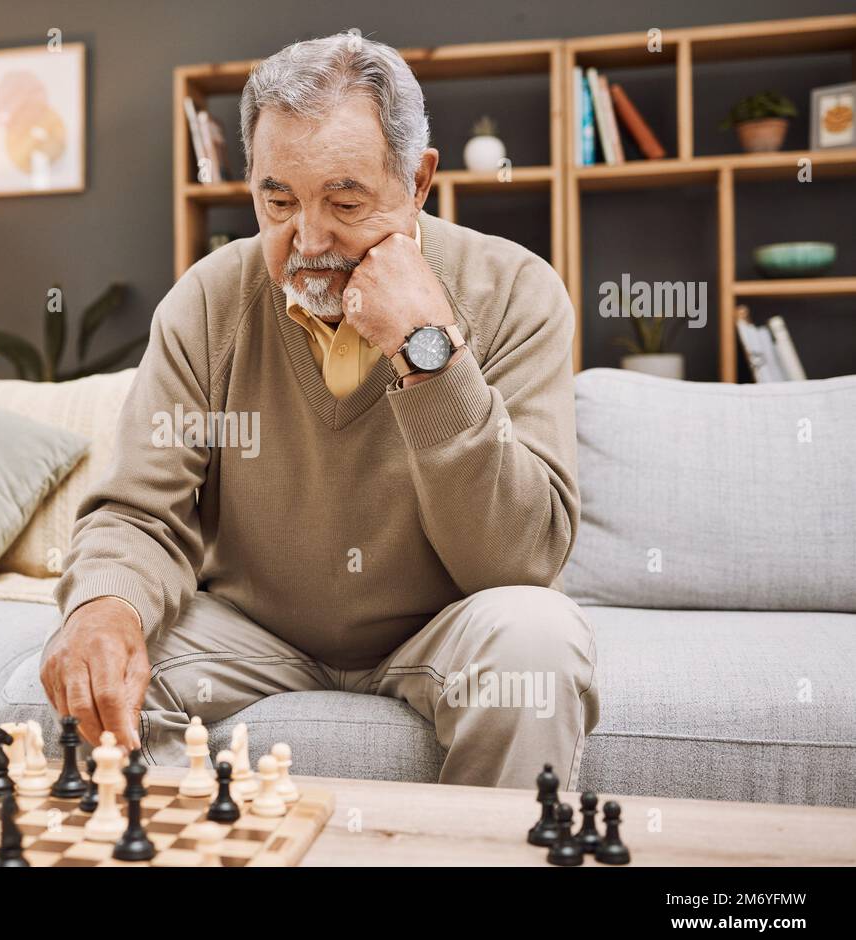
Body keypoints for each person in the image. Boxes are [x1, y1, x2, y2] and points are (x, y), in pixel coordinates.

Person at [41, 33, 599, 790]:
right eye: (278, 201)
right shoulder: (210, 301)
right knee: (97, 666)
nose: (308, 241)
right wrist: (105, 604)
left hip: (442, 630)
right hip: (257, 631)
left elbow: (521, 560)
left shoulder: (517, 292)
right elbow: (139, 512)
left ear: (420, 180)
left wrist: (425, 349)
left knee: (539, 646)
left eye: (345, 201)